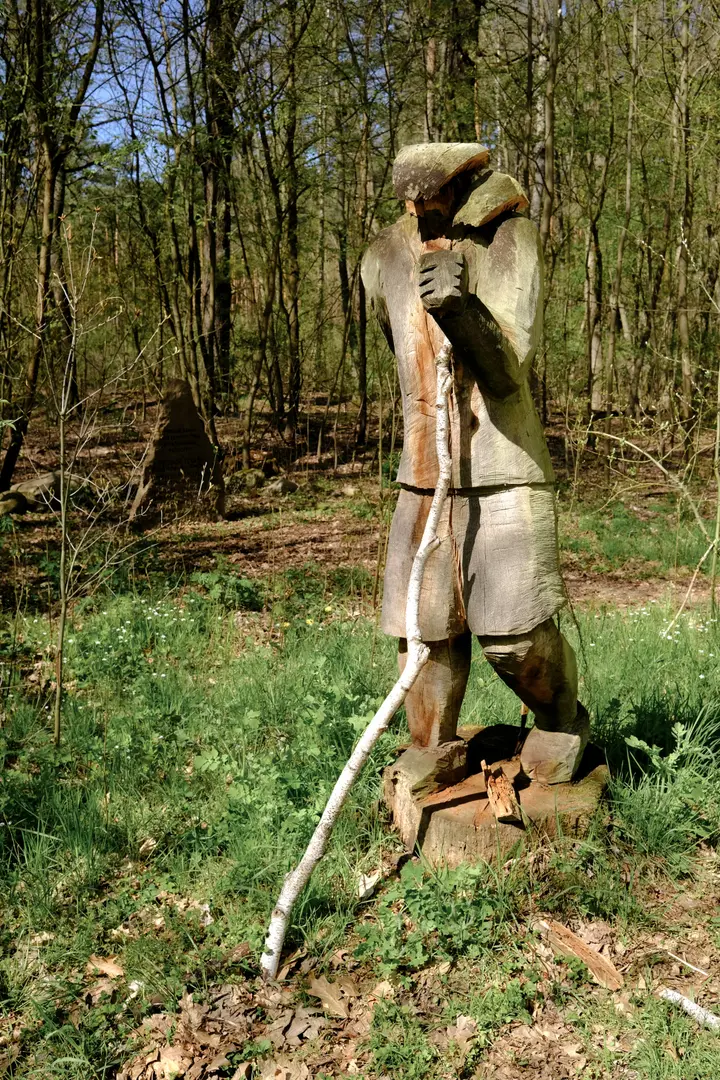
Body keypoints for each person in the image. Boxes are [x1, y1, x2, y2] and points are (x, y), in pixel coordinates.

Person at [361, 142, 588, 784]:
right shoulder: (382, 257)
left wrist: (461, 306)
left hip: (504, 465)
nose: (419, 205)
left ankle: (562, 719)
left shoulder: (509, 238)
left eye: (430, 193)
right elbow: (404, 360)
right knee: (424, 632)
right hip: (424, 471)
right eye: (410, 195)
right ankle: (431, 746)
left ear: (461, 184)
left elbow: (509, 372)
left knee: (515, 636)